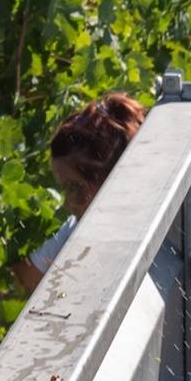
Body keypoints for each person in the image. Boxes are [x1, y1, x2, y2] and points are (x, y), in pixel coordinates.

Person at [15, 91, 148, 294]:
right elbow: (27, 279)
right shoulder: (77, 229)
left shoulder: (147, 233)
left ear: (112, 181)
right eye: (65, 189)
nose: (68, 203)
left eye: (76, 188)